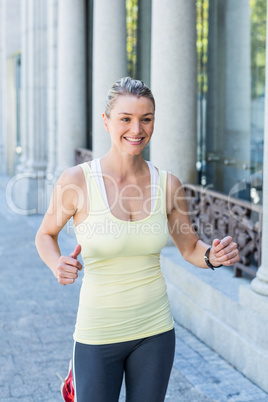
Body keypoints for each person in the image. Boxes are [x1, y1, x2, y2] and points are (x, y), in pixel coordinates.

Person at [35, 77, 239, 402]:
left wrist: (214, 257)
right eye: (126, 119)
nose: (137, 129)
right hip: (97, 332)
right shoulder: (77, 180)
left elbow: (190, 248)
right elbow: (45, 234)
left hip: (155, 331)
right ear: (106, 122)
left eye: (146, 119)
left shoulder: (168, 185)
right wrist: (56, 262)